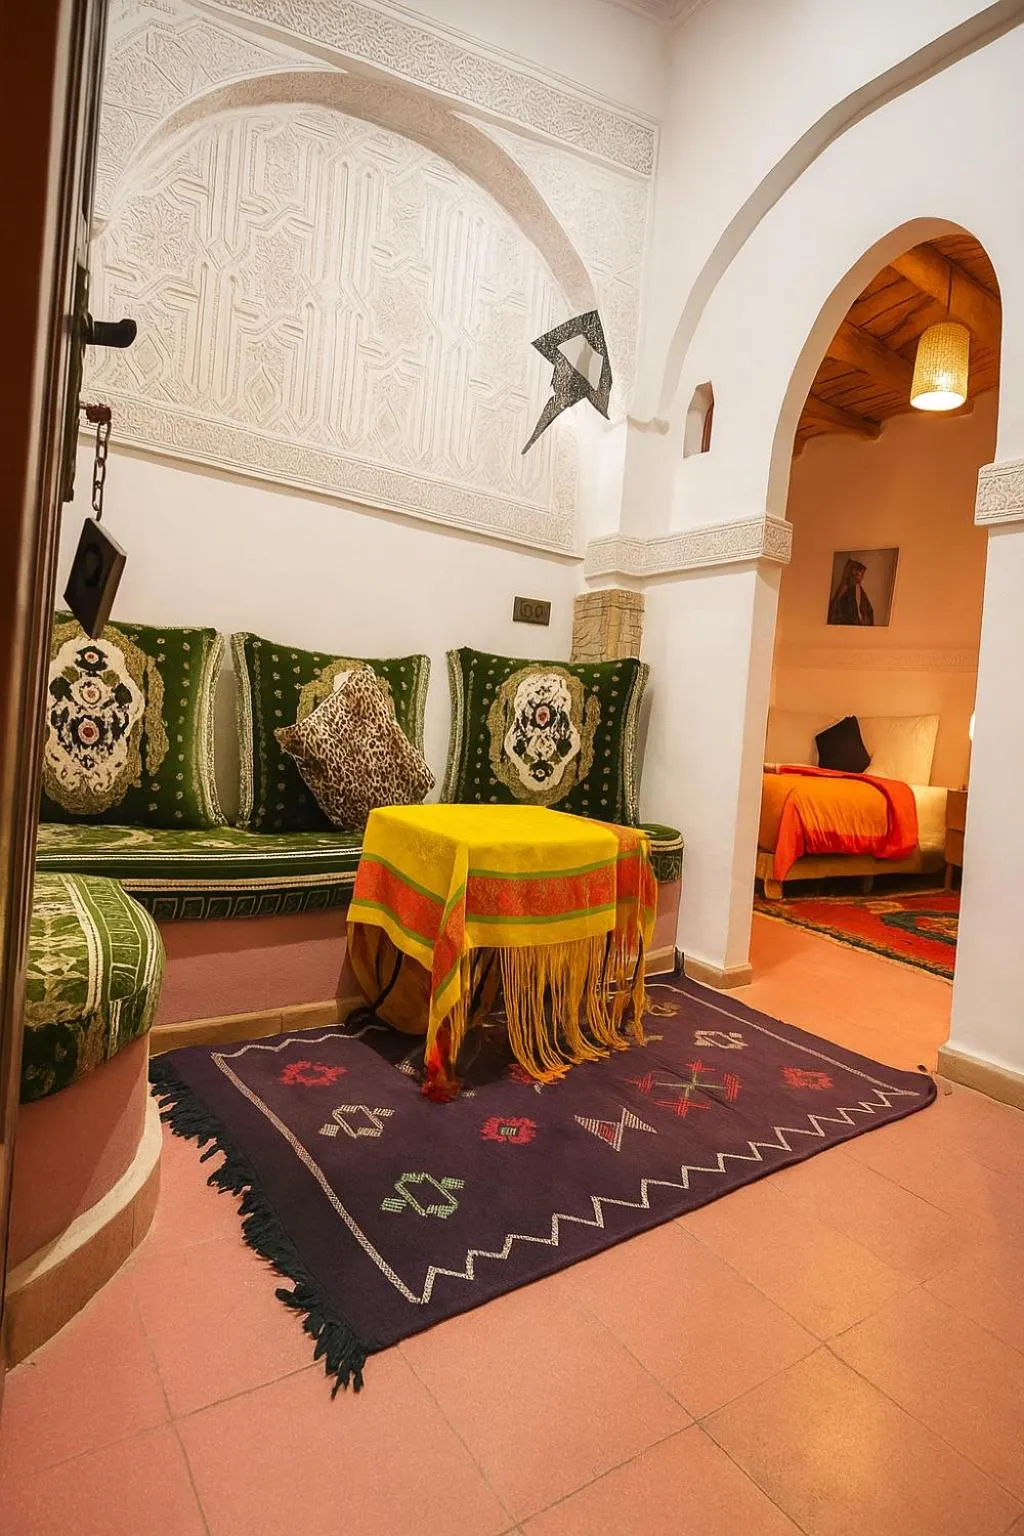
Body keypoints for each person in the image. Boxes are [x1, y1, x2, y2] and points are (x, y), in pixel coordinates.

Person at [828, 558, 874, 626]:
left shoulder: (858, 589)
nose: (861, 578)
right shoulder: (843, 589)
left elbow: (868, 610)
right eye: (858, 575)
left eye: (862, 575)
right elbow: (835, 611)